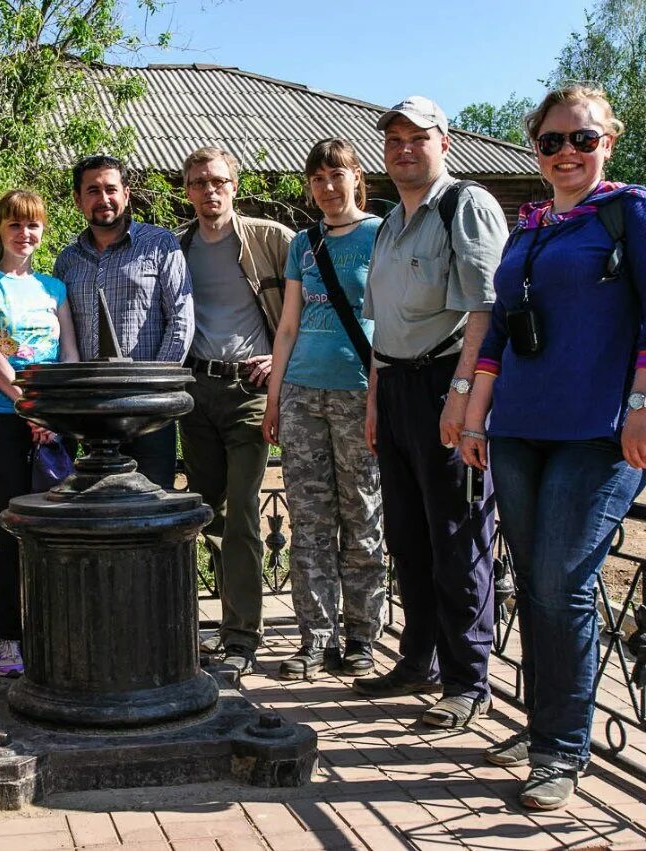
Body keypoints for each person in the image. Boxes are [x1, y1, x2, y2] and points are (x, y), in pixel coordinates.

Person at [459, 85, 646, 810]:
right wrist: (472, 420)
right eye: (553, 141)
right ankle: (542, 731)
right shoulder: (529, 230)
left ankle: (561, 750)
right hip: (519, 431)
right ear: (536, 148)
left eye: (582, 139)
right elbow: (497, 334)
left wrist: (644, 407)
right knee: (535, 582)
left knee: (563, 582)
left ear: (608, 142)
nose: (567, 152)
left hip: (600, 433)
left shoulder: (635, 215)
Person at [352, 96, 507, 730]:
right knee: (408, 537)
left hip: (447, 384)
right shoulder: (391, 222)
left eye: (418, 137)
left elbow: (486, 308)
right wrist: (373, 402)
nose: (404, 149)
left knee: (456, 538)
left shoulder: (463, 205)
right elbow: (382, 326)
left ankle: (469, 681)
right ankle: (418, 660)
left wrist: (464, 396)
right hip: (393, 389)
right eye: (394, 140)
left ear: (444, 141)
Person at [262, 139, 388, 681]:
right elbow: (287, 325)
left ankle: (362, 636)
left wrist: (381, 398)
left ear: (357, 177)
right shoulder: (303, 243)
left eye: (337, 175)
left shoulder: (382, 233)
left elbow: (392, 324)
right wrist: (274, 397)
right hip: (301, 393)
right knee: (310, 521)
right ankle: (314, 638)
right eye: (317, 179)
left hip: (359, 390)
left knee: (362, 515)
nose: (328, 188)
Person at [175, 147, 291, 676]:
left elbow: (319, 304)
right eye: (199, 183)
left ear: (234, 185)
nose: (210, 191)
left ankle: (243, 636)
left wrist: (282, 358)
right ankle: (220, 630)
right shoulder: (177, 247)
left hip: (250, 392)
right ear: (187, 190)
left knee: (245, 512)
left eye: (218, 181)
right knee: (212, 515)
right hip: (196, 393)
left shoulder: (270, 239)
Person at [0, 189, 80, 677]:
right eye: (15, 225)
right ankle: (7, 638)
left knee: (56, 533)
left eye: (33, 225)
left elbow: (70, 356)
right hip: (3, 418)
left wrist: (55, 414)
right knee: (12, 527)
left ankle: (54, 630)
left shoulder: (53, 289)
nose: (25, 234)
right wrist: (27, 407)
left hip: (53, 426)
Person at [54, 154, 194, 488]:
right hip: (92, 411)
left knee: (152, 504)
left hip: (148, 410)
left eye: (111, 189)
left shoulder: (160, 244)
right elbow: (61, 333)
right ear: (78, 199)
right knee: (97, 506)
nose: (103, 199)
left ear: (126, 194)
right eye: (93, 190)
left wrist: (152, 389)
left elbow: (181, 320)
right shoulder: (68, 260)